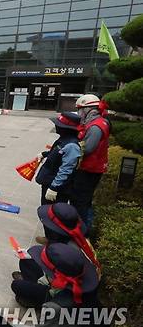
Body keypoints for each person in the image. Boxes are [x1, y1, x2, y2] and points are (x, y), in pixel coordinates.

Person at [12, 203, 101, 308]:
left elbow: (62, 284)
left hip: (65, 291)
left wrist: (44, 282)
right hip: (63, 278)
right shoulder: (76, 237)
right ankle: (32, 284)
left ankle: (37, 300)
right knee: (25, 262)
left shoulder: (71, 249)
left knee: (17, 285)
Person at [71, 94, 110, 230]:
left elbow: (87, 148)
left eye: (80, 109)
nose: (79, 113)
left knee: (81, 201)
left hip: (89, 169)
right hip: (93, 167)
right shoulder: (99, 122)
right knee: (84, 200)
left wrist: (71, 148)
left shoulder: (95, 126)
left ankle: (82, 231)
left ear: (88, 109)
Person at [35, 112, 82, 205]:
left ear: (66, 128)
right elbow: (58, 153)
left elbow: (66, 169)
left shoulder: (72, 145)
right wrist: (45, 154)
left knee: (52, 213)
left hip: (57, 187)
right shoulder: (64, 139)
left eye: (58, 125)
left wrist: (54, 188)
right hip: (48, 180)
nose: (56, 126)